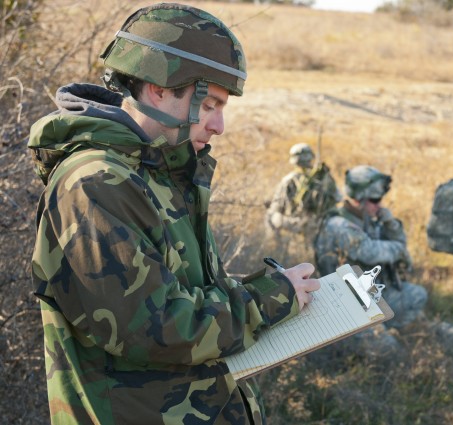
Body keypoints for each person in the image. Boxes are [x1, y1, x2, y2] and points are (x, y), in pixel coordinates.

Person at [27, 4, 320, 424]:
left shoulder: (160, 173)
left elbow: (182, 290)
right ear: (158, 89)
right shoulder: (94, 185)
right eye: (209, 104)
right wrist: (270, 298)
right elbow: (158, 324)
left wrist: (273, 291)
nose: (219, 125)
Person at [314, 165, 428, 332]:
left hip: (372, 293)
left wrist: (391, 224)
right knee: (389, 350)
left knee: (417, 295)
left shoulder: (366, 219)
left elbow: (397, 244)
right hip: (348, 303)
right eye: (375, 200)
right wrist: (398, 248)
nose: (379, 205)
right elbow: (371, 253)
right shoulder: (341, 226)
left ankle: (390, 327)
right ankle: (381, 331)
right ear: (360, 199)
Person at [265, 142, 341, 240]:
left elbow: (277, 206)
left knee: (270, 215)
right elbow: (338, 198)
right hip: (324, 223)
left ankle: (274, 245)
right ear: (311, 158)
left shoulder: (288, 180)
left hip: (298, 224)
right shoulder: (324, 176)